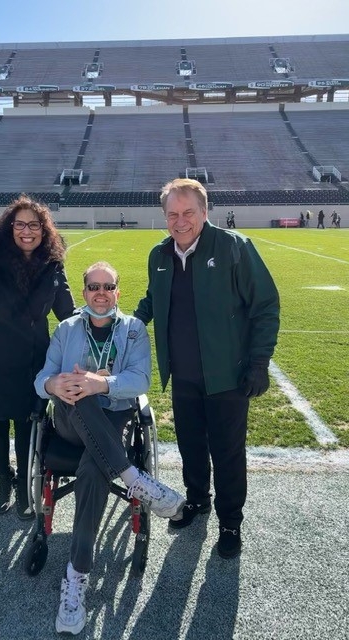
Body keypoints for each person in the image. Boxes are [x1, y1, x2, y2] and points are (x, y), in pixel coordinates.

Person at [34, 261, 185, 636]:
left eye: (108, 286)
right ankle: (135, 479)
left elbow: (141, 380)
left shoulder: (133, 330)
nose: (100, 293)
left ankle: (76, 576)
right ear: (83, 293)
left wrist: (99, 384)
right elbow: (43, 377)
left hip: (114, 418)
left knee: (92, 468)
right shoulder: (66, 328)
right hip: (70, 419)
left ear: (118, 292)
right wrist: (56, 386)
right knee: (75, 388)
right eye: (93, 287)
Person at [135, 178, 280, 560]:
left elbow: (265, 305)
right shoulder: (160, 255)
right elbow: (153, 297)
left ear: (204, 211)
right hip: (182, 374)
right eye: (172, 214)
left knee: (227, 451)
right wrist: (128, 325)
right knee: (191, 445)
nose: (180, 221)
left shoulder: (234, 246)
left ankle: (230, 522)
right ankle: (198, 500)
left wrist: (259, 362)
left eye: (188, 213)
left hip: (226, 376)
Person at [0, 195, 76, 520]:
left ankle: (24, 485)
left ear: (43, 230)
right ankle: (3, 479)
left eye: (33, 225)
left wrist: (102, 321)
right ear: (10, 227)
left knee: (27, 429)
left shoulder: (52, 265)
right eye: (20, 224)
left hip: (32, 366)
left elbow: (68, 313)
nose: (27, 231)